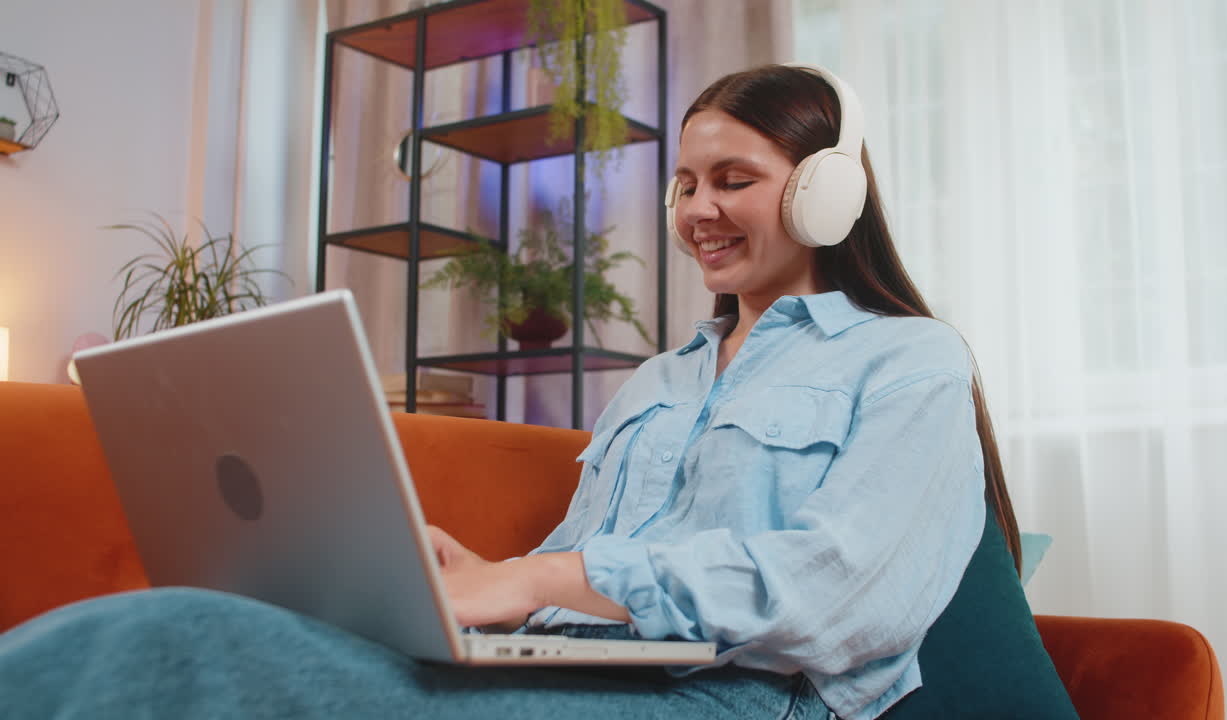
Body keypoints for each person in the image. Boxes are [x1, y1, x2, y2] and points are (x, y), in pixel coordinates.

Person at [0, 63, 1022, 720]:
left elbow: (839, 603)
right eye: (683, 183)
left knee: (176, 647)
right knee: (195, 617)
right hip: (580, 670)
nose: (697, 209)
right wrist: (478, 574)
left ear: (821, 191)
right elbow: (574, 565)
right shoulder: (654, 383)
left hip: (738, 701)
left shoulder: (910, 360)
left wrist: (537, 582)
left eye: (733, 179)